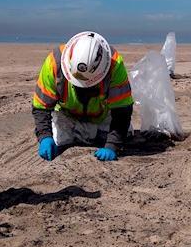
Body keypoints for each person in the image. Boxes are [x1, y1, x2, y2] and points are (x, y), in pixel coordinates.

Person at [32, 31, 134, 162]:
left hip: (102, 116)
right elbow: (41, 106)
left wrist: (112, 146)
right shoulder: (54, 63)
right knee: (59, 140)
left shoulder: (115, 65)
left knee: (124, 134)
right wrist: (45, 136)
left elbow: (122, 110)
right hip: (68, 116)